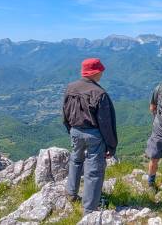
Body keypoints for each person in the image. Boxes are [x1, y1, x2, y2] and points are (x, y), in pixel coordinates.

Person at [62, 58, 118, 215]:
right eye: (101, 70)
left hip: (75, 131)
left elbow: (65, 112)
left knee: (75, 161)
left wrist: (71, 129)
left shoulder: (70, 88)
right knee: (93, 171)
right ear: (96, 72)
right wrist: (111, 146)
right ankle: (89, 210)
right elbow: (106, 124)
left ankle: (71, 193)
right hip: (94, 135)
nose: (102, 73)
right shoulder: (100, 94)